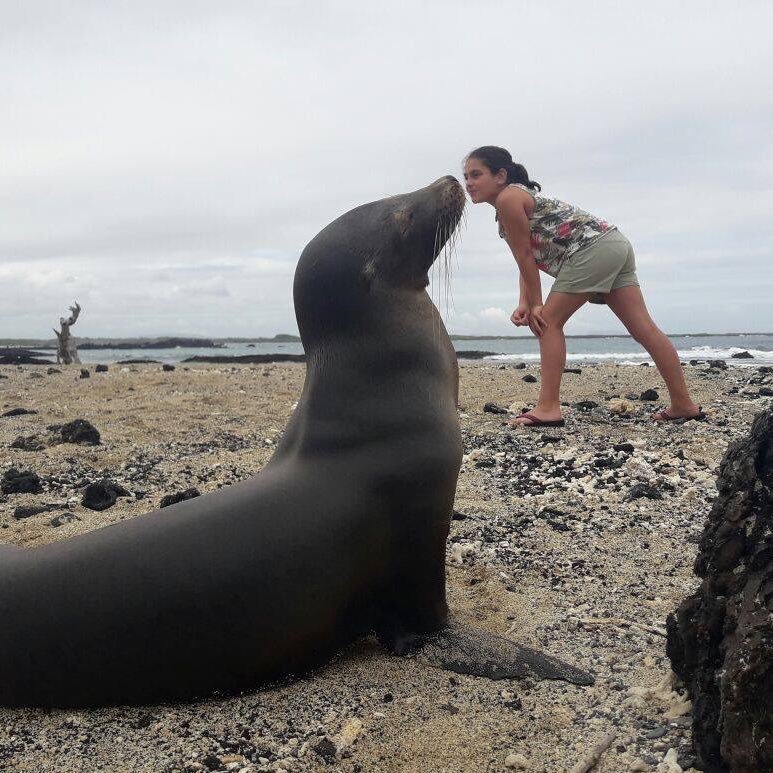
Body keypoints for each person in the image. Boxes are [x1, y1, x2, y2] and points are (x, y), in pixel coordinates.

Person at [462, 145, 704, 427]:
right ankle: (683, 404)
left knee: (547, 323)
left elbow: (526, 256)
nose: (468, 183)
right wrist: (525, 302)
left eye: (476, 175)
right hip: (613, 244)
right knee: (644, 329)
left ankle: (548, 408)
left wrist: (537, 305)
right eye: (466, 176)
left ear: (500, 175)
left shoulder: (508, 198)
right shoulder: (513, 198)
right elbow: (527, 258)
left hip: (591, 249)